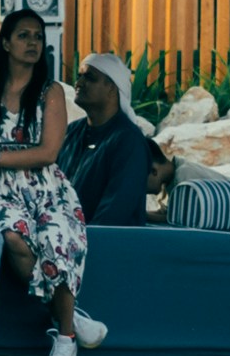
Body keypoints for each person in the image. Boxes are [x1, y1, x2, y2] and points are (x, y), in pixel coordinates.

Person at [0, 5, 108, 356]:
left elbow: (47, 153)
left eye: (38, 37)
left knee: (57, 241)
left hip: (46, 187)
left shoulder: (51, 92)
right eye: (23, 35)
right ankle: (70, 318)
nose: (32, 43)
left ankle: (65, 339)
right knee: (15, 239)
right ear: (6, 43)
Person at [56, 52, 156, 227]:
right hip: (62, 240)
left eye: (89, 78)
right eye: (80, 77)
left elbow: (114, 215)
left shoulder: (128, 141)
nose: (79, 83)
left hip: (107, 246)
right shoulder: (72, 131)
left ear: (112, 88)